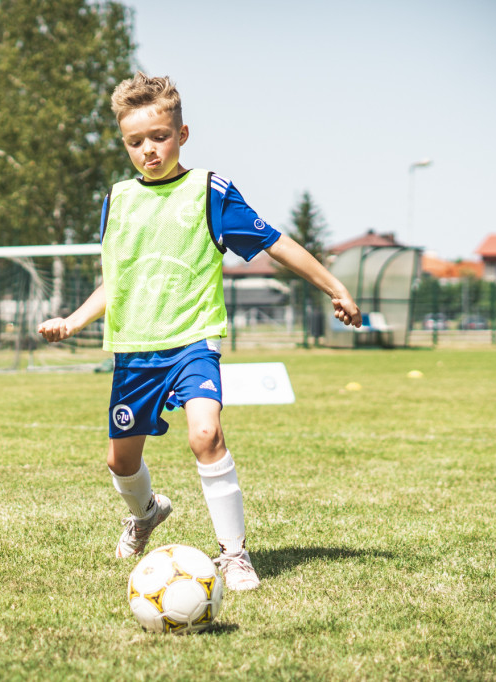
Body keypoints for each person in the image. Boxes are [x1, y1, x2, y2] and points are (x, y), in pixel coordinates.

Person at [37, 72, 362, 591]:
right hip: (135, 350)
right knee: (120, 460)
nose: (148, 150)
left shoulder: (209, 191)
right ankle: (144, 513)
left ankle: (233, 555)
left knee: (205, 435)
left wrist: (334, 287)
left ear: (182, 134)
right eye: (135, 142)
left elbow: (275, 242)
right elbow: (116, 283)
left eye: (159, 137)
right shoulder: (117, 200)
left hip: (193, 339)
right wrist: (73, 320)